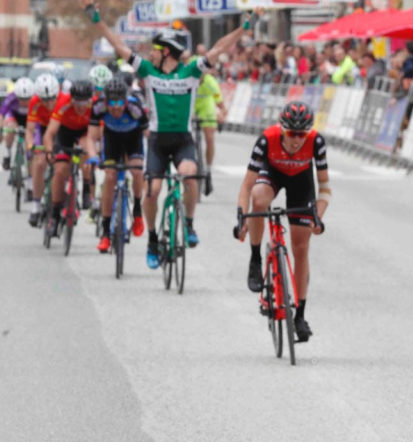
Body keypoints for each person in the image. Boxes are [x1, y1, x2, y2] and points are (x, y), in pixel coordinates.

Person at [83, 0, 255, 268]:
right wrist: (96, 20)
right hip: (157, 142)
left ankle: (188, 224)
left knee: (189, 176)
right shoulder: (148, 71)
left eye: (155, 49)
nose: (151, 53)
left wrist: (244, 28)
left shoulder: (190, 71)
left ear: (167, 53)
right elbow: (119, 46)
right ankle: (153, 239)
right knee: (152, 191)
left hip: (183, 140)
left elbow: (219, 48)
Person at [235, 101, 329, 343]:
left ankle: (300, 315)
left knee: (301, 247)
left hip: (301, 181)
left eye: (302, 134)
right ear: (283, 129)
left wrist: (318, 216)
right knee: (259, 200)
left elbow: (325, 188)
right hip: (272, 173)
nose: (297, 139)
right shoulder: (267, 139)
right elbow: (246, 186)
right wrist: (241, 217)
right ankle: (256, 258)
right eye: (292, 133)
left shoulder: (316, 142)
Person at [89, 77, 147, 253]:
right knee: (110, 177)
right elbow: (91, 137)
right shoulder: (98, 107)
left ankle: (137, 211)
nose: (115, 107)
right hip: (112, 140)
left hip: (133, 139)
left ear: (125, 100)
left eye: (119, 102)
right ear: (105, 101)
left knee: (137, 171)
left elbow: (148, 135)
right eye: (111, 102)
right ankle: (106, 233)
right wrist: (93, 156)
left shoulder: (135, 108)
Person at [42, 79, 99, 238]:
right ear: (71, 99)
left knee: (85, 151)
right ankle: (54, 213)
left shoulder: (95, 105)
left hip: (85, 133)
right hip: (65, 133)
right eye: (77, 103)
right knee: (60, 171)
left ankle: (87, 189)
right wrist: (48, 151)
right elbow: (50, 133)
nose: (81, 107)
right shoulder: (63, 103)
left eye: (84, 103)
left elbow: (100, 133)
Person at [26, 73, 63, 227]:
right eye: (44, 100)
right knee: (40, 163)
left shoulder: (64, 100)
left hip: (60, 128)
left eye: (51, 99)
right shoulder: (34, 102)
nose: (48, 103)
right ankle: (36, 204)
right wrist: (30, 146)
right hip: (42, 128)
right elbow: (30, 130)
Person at [194, 69, 226, 196]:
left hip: (206, 110)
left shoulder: (210, 82)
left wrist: (221, 115)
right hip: (192, 108)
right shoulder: (189, 80)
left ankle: (207, 169)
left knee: (209, 137)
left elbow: (220, 104)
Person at [0, 77, 35, 171]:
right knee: (10, 128)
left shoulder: (36, 100)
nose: (24, 102)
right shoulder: (11, 98)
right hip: (15, 118)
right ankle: (8, 154)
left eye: (27, 99)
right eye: (21, 99)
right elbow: (0, 116)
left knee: (30, 142)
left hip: (30, 119)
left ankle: (29, 159)